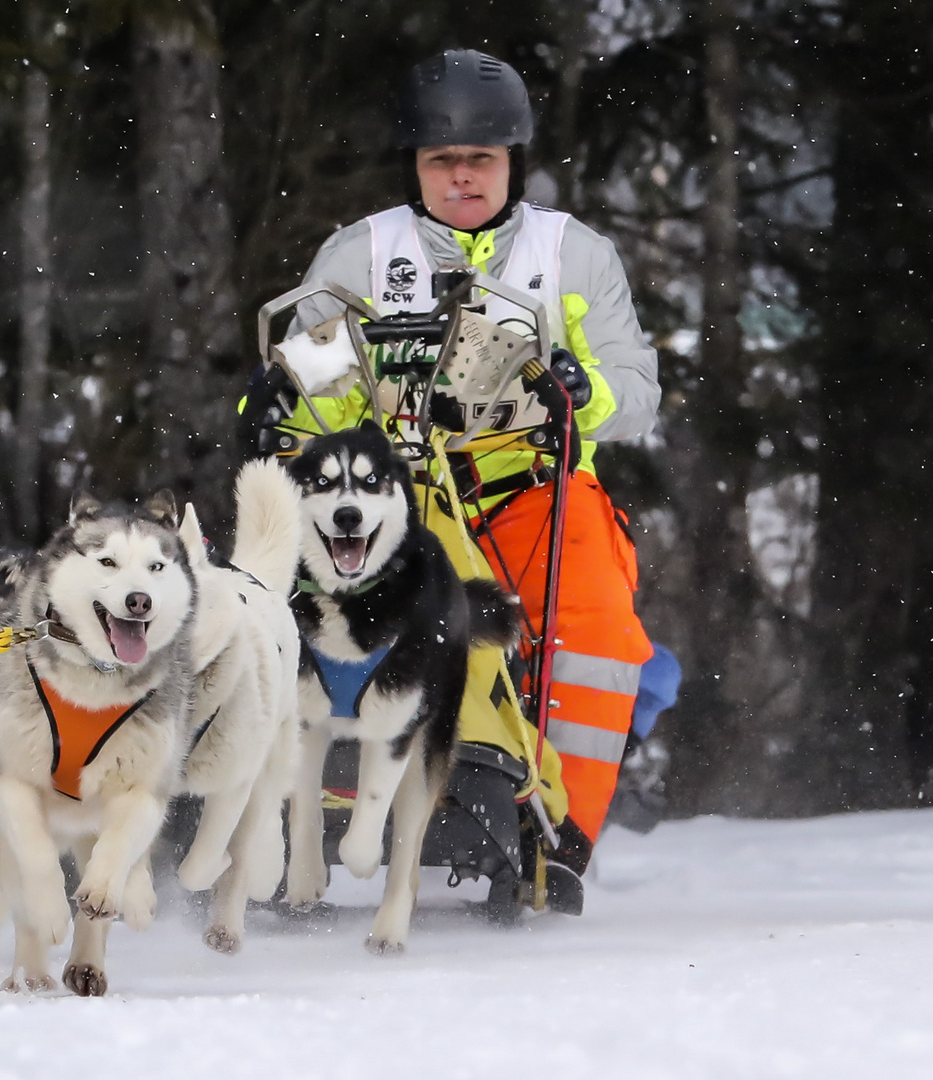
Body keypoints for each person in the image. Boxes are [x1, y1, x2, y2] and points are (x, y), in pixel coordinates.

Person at [241, 49, 660, 874]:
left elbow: (637, 391)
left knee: (597, 622)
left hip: (528, 487)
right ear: (415, 167)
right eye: (442, 160)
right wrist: (276, 399)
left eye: (481, 160)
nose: (461, 178)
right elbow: (313, 376)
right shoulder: (358, 255)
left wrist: (585, 392)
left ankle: (561, 834)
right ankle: (279, 796)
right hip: (389, 488)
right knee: (284, 588)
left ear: (514, 164)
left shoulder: (573, 255)